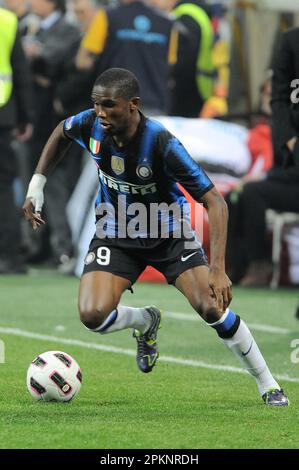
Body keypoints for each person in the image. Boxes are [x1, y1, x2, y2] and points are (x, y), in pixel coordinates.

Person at [23, 67, 288, 406]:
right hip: (116, 234)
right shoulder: (90, 123)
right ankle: (145, 320)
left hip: (169, 235)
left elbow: (215, 202)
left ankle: (268, 384)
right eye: (96, 105)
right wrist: (37, 184)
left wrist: (219, 268)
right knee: (92, 316)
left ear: (133, 104)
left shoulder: (161, 143)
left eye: (109, 106)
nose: (100, 113)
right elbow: (61, 131)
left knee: (212, 308)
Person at [0, 6, 34, 274]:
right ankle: (9, 257)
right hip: (3, 115)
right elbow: (20, 72)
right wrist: (26, 117)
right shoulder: (8, 19)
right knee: (2, 189)